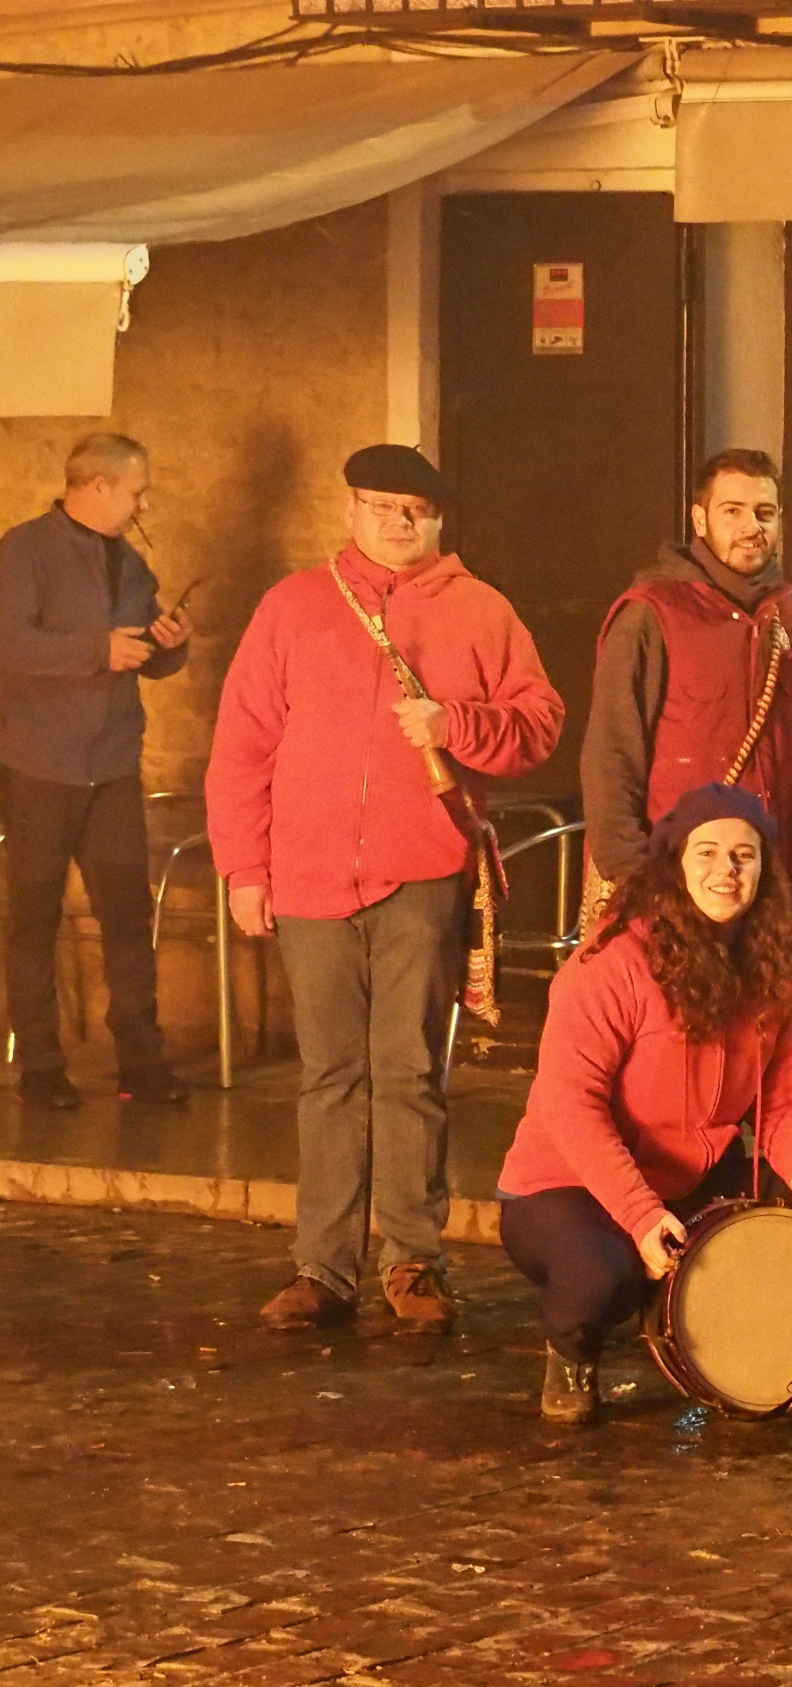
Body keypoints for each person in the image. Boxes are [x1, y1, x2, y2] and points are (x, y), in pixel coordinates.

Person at [207, 444, 564, 1333]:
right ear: (350, 511)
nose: (398, 522)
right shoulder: (294, 606)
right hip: (309, 875)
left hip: (421, 871)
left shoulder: (481, 610)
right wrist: (245, 868)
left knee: (407, 1070)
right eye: (380, 506)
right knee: (329, 1074)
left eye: (415, 509)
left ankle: (414, 1261)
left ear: (437, 518)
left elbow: (539, 724)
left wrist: (456, 724)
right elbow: (243, 744)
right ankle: (323, 1268)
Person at [496, 785, 792, 1425]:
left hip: (689, 1175)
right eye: (707, 853)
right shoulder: (614, 963)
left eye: (744, 855)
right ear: (674, 865)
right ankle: (572, 1351)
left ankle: (740, 1353)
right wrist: (641, 1215)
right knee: (605, 1273)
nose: (726, 871)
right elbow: (570, 1104)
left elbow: (790, 1095)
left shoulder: (770, 972)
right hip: (567, 1184)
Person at [0, 432, 191, 1108]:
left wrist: (168, 646)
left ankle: (141, 1060)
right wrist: (96, 651)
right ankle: (41, 1067)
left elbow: (144, 658)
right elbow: (9, 644)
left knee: (127, 916)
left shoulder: (130, 563)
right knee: (34, 917)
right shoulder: (23, 551)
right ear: (99, 485)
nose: (144, 504)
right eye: (137, 491)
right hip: (38, 765)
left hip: (111, 765)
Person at [581, 448, 792, 905]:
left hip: (767, 875)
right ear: (700, 520)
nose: (751, 527)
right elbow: (611, 753)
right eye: (733, 511)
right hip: (672, 876)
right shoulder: (650, 614)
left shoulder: (790, 619)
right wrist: (633, 873)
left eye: (764, 513)